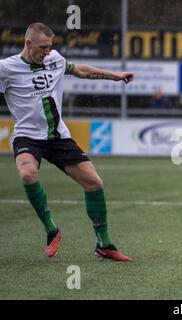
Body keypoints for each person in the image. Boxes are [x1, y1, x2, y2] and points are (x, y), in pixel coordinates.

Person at [0, 23, 133, 261]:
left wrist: (116, 76)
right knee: (27, 174)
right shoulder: (6, 68)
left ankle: (104, 244)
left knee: (94, 183)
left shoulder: (54, 59)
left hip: (58, 137)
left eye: (50, 47)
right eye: (43, 47)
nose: (47, 52)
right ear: (28, 44)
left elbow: (78, 69)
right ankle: (52, 229)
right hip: (27, 136)